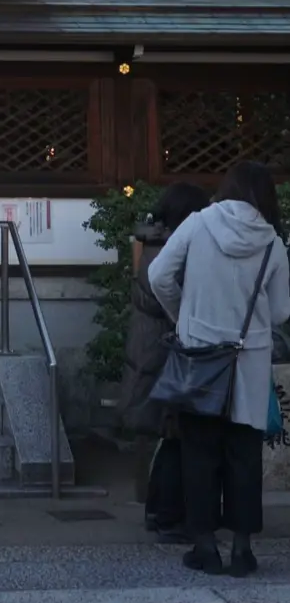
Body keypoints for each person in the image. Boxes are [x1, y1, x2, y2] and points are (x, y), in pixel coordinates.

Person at [149, 160, 290, 576]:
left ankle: (205, 547)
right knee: (244, 457)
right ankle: (243, 551)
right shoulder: (272, 242)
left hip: (200, 359)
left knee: (199, 453)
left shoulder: (198, 224)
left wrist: (185, 317)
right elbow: (281, 310)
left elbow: (159, 276)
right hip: (248, 360)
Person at [118, 183, 210, 542]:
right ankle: (166, 514)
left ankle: (160, 511)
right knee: (174, 434)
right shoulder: (169, 248)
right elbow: (163, 293)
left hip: (151, 347)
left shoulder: (153, 242)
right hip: (163, 350)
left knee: (170, 435)